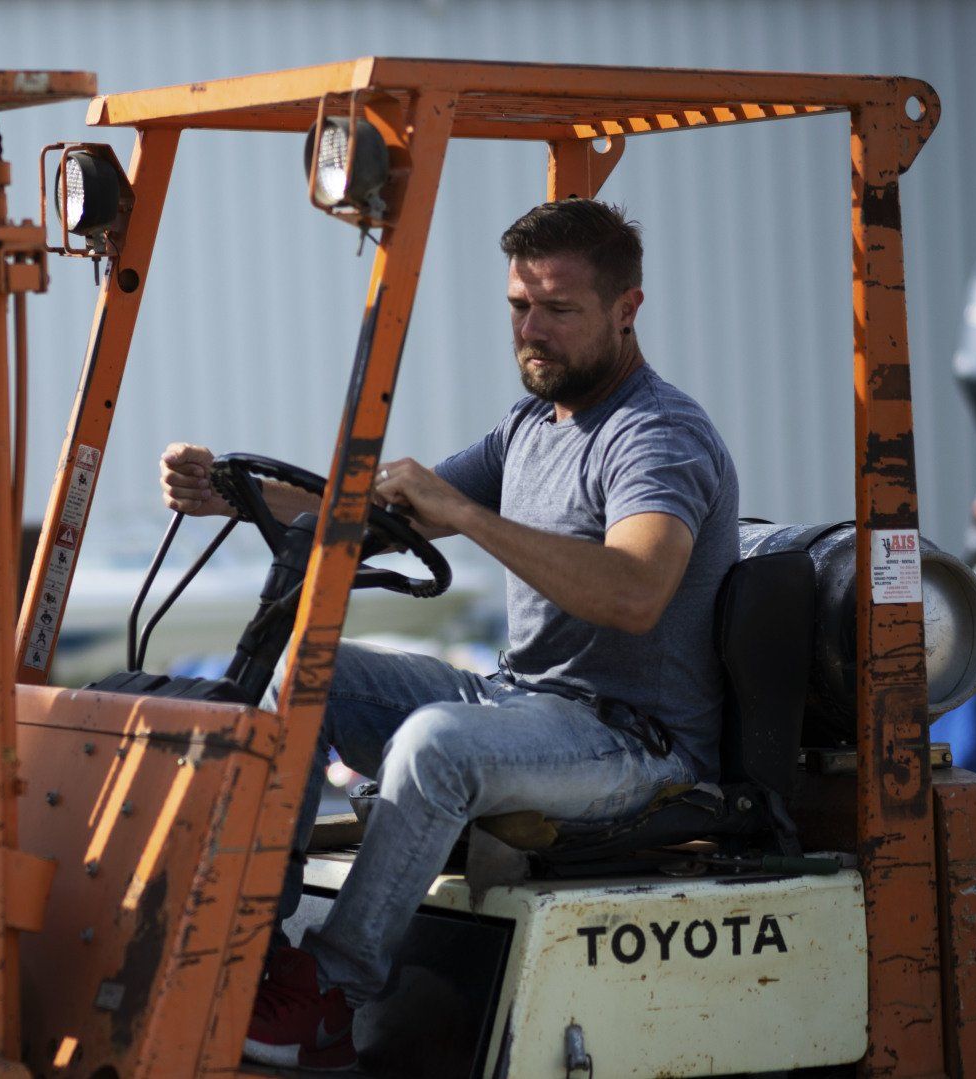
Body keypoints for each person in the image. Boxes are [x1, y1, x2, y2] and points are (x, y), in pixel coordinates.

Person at [160, 199, 740, 1071]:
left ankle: (330, 995)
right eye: (519, 306)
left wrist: (466, 510)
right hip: (525, 700)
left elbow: (635, 590)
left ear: (627, 310)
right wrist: (234, 494)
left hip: (632, 740)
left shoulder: (657, 436)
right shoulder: (530, 425)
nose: (532, 331)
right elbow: (383, 517)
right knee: (305, 670)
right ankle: (255, 941)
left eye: (559, 310)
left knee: (439, 744)